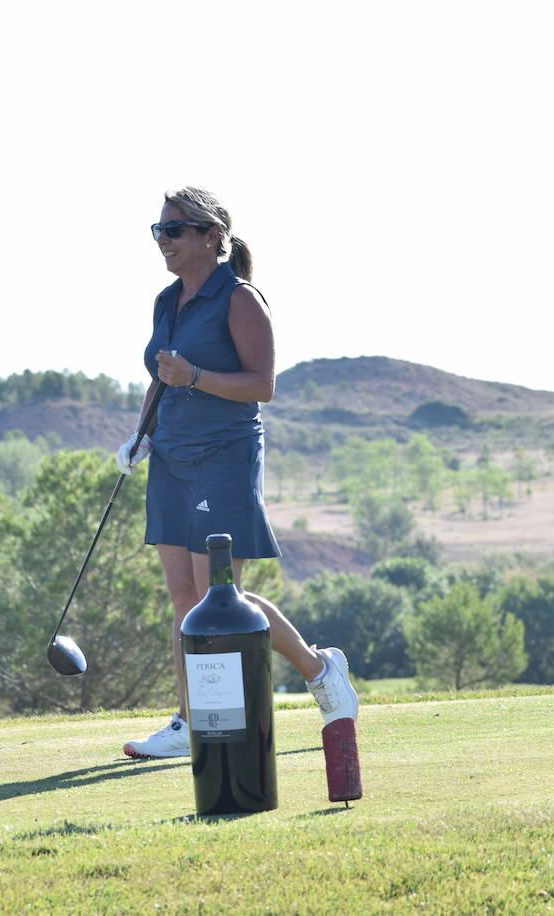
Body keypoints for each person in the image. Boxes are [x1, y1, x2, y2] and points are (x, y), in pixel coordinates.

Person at [115, 186, 358, 759]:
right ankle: (189, 721)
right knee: (182, 596)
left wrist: (194, 377)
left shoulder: (240, 299)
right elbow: (161, 372)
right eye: (158, 231)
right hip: (172, 456)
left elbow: (263, 386)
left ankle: (320, 669)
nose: (163, 242)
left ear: (211, 236)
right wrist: (141, 434)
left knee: (219, 595)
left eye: (174, 231)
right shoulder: (166, 300)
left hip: (224, 457)